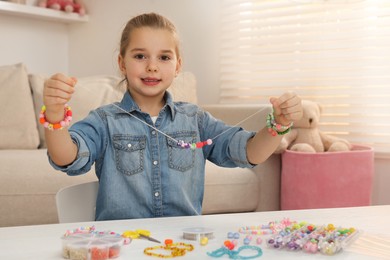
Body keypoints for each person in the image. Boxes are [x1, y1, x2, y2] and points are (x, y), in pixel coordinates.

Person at [42, 12, 302, 221]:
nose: (152, 65)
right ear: (122, 63)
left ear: (177, 65)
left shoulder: (195, 119)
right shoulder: (104, 121)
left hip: (181, 246)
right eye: (140, 56)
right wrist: (55, 115)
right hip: (124, 246)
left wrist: (279, 124)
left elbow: (248, 152)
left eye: (164, 57)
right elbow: (67, 158)